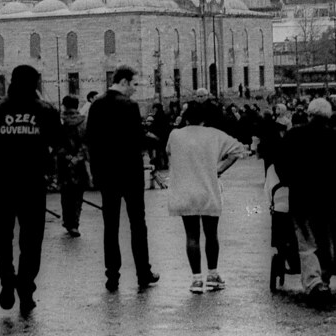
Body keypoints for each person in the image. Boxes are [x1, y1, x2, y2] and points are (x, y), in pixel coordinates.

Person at [0, 65, 61, 316]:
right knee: (32, 240)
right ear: (35, 84)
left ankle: (7, 279)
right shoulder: (45, 111)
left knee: (0, 238)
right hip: (32, 185)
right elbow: (57, 144)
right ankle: (26, 289)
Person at [275, 98, 336, 306]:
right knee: (326, 238)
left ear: (309, 114)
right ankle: (325, 279)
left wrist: (286, 179)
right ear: (329, 116)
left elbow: (280, 161)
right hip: (327, 195)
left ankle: (313, 282)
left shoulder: (294, 134)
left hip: (300, 194)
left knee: (306, 240)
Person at [85, 65, 159, 291]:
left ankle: (112, 276)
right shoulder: (129, 105)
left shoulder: (96, 104)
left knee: (111, 225)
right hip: (130, 172)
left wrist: (96, 173)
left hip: (107, 174)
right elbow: (137, 138)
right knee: (138, 223)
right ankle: (143, 273)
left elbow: (91, 140)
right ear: (124, 82)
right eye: (134, 84)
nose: (135, 90)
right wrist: (152, 139)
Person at [165, 99, 243, 294]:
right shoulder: (214, 135)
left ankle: (196, 279)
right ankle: (213, 275)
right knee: (211, 234)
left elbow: (168, 153)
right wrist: (219, 169)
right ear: (204, 118)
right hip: (208, 188)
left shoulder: (175, 135)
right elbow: (238, 150)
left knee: (191, 236)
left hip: (185, 190)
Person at [56, 95, 89, 237]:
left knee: (66, 193)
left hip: (64, 163)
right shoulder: (84, 122)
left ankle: (68, 221)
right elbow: (87, 143)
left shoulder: (60, 122)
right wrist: (77, 158)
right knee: (78, 193)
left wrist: (68, 157)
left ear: (64, 105)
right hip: (79, 163)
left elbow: (57, 143)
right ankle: (75, 223)